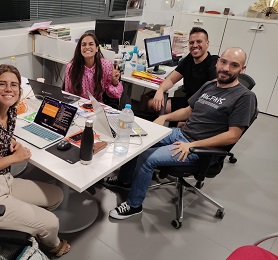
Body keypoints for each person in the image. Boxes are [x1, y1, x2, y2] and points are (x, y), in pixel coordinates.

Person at [104, 47, 257, 219]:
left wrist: (192, 145)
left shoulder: (245, 97)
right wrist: (164, 118)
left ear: (242, 69)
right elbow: (188, 111)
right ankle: (125, 181)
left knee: (147, 157)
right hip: (182, 134)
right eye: (223, 62)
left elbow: (233, 135)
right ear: (218, 62)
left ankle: (134, 205)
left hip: (199, 148)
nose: (226, 68)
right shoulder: (209, 85)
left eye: (234, 65)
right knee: (139, 140)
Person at [0, 64, 71, 256]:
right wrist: (14, 158)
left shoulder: (9, 112)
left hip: (4, 181)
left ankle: (24, 224)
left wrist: (12, 142)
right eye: (2, 84)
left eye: (13, 85)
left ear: (20, 90)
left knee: (56, 195)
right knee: (52, 222)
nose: (8, 89)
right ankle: (53, 246)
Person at [148, 27, 219, 114]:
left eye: (199, 41)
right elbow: (171, 79)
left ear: (207, 44)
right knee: (152, 104)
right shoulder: (189, 59)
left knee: (175, 119)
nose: (195, 45)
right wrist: (160, 91)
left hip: (202, 107)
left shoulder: (213, 62)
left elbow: (216, 91)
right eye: (191, 43)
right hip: (188, 102)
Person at [64, 32, 123, 102]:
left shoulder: (105, 65)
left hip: (96, 106)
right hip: (78, 104)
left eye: (91, 44)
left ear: (97, 48)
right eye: (83, 45)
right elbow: (67, 94)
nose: (87, 47)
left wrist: (114, 82)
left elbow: (116, 94)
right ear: (80, 49)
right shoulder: (71, 67)